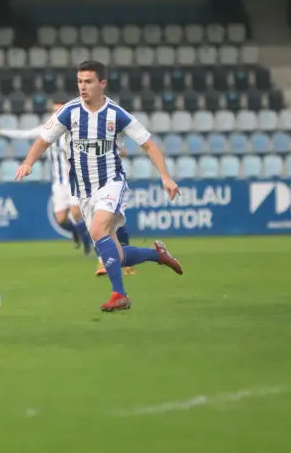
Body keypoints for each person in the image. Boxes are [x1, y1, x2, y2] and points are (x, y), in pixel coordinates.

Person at [15, 60, 183, 312]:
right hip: (84, 192)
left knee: (96, 230)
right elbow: (43, 140)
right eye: (80, 81)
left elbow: (148, 144)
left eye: (89, 82)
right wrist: (28, 163)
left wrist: (165, 176)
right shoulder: (69, 111)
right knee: (115, 254)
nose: (82, 87)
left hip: (111, 183)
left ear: (102, 83)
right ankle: (156, 254)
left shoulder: (117, 114)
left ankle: (119, 294)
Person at [0, 101, 92, 255]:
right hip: (58, 183)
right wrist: (0, 132)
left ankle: (87, 240)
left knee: (76, 214)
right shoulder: (46, 130)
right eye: (54, 111)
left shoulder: (74, 130)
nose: (56, 114)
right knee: (61, 219)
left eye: (59, 111)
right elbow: (23, 134)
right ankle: (77, 232)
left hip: (74, 181)